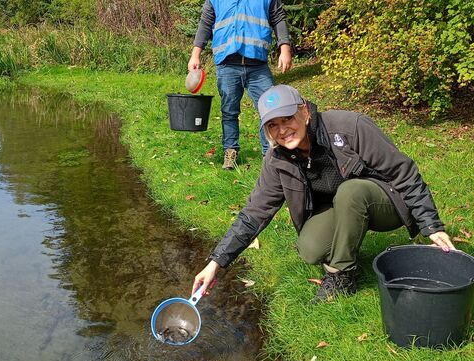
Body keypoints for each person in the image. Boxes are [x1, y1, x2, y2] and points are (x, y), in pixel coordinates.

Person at [192, 85, 456, 303]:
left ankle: (341, 274)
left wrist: (431, 225)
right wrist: (216, 262)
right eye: (273, 125)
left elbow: (404, 172)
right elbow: (253, 214)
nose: (282, 130)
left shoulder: (349, 126)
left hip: (385, 202)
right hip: (342, 206)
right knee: (310, 249)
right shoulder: (277, 160)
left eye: (288, 119)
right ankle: (347, 247)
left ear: (305, 112)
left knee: (350, 191)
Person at [188, 0, 292, 170]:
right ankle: (231, 152)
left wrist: (284, 46)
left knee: (269, 110)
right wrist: (196, 54)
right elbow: (206, 22)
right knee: (229, 111)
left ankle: (271, 157)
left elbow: (278, 17)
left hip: (257, 64)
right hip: (227, 64)